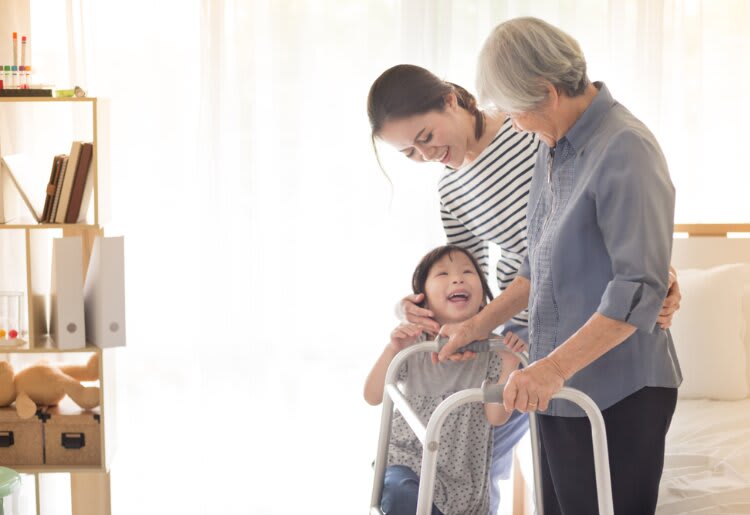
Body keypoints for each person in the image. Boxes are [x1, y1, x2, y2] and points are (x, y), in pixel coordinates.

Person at [366, 64, 681, 513]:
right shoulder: (451, 191)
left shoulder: (530, 128)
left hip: (590, 325)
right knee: (478, 456)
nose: (427, 153)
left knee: (582, 474)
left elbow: (619, 212)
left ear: (450, 101)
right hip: (521, 334)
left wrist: (661, 276)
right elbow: (463, 278)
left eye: (426, 135)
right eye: (410, 153)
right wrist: (409, 307)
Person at [364, 245, 527, 515]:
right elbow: (372, 395)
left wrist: (510, 364)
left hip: (462, 477)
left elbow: (497, 418)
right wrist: (393, 348)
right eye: (443, 274)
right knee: (401, 496)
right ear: (422, 302)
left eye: (467, 272)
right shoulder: (413, 346)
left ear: (485, 303)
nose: (457, 278)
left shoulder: (494, 354)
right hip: (407, 463)